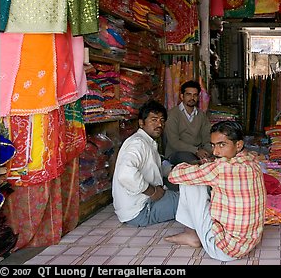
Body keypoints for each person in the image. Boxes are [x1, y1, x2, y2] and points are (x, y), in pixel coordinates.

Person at [165, 120, 266, 262]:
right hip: (248, 244)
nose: (215, 151)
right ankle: (194, 233)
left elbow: (174, 176)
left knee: (189, 183)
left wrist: (194, 165)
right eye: (213, 145)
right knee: (202, 181)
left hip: (223, 250)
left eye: (222, 145)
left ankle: (191, 234)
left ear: (238, 145)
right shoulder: (253, 162)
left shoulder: (221, 169)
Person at [112, 100, 179, 227]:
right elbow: (125, 174)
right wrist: (152, 191)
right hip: (140, 211)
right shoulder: (138, 143)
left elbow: (156, 165)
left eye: (162, 120)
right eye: (154, 120)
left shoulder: (146, 141)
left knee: (184, 192)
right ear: (141, 123)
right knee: (191, 202)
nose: (159, 124)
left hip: (138, 206)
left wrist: (179, 170)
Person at [163, 80, 212, 165]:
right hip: (177, 153)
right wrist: (196, 150)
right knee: (190, 160)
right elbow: (174, 142)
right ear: (182, 96)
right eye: (188, 94)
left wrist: (206, 152)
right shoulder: (172, 114)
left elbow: (207, 138)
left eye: (195, 95)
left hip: (198, 153)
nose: (192, 98)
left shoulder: (202, 115)